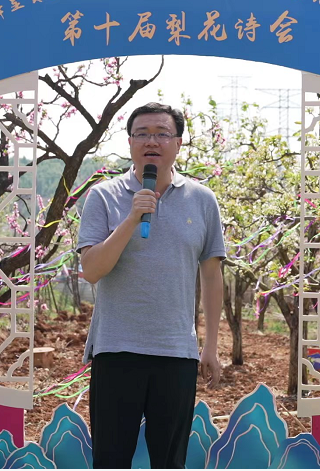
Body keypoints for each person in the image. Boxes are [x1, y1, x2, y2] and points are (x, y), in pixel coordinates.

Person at [76, 102, 225, 469]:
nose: (151, 141)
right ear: (129, 142)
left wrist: (210, 345)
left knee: (169, 461)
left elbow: (211, 275)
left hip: (176, 351)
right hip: (116, 348)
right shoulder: (103, 196)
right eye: (141, 134)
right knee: (111, 460)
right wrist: (132, 218)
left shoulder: (202, 200)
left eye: (162, 133)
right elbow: (92, 270)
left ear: (178, 143)